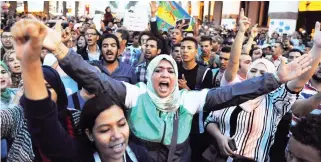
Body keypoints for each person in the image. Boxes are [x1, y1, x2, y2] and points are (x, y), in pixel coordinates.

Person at [18, 18, 313, 162]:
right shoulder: (136, 95)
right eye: (158, 68)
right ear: (148, 74)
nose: (164, 73)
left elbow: (232, 93)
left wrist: (274, 78)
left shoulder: (189, 99)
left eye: (170, 69)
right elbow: (97, 81)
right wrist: (59, 49)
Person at [205, 22, 321, 162]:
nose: (257, 75)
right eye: (253, 71)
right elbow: (210, 120)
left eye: (263, 72)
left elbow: (299, 82)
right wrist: (219, 137)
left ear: (272, 77)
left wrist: (318, 47)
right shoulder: (233, 94)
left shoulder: (274, 101)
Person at [1, 66, 80, 162]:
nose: (42, 94)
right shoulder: (18, 116)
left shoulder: (75, 118)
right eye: (35, 88)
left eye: (48, 87)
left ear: (58, 90)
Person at [178, 37, 213, 161]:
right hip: (174, 122)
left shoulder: (205, 72)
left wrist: (186, 89)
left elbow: (206, 101)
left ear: (196, 51)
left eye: (189, 48)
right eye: (182, 48)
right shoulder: (172, 69)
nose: (185, 51)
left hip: (195, 126)